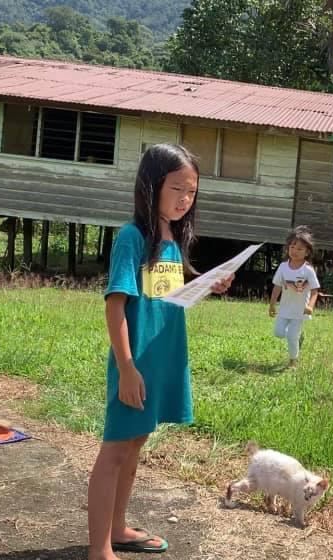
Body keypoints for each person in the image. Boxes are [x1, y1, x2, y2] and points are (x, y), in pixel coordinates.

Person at [88, 144, 233, 560]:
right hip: (134, 365)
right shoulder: (133, 238)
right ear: (151, 185)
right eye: (177, 189)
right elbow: (116, 305)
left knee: (134, 446)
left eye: (192, 192)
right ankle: (99, 549)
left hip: (162, 362)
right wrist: (127, 368)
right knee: (115, 450)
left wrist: (208, 282)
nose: (185, 199)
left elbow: (169, 295)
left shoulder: (172, 238)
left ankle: (116, 529)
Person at [269, 225, 321, 368]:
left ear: (307, 252)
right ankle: (297, 337)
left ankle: (293, 361)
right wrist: (272, 304)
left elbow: (315, 290)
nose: (295, 251)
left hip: (299, 311)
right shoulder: (283, 267)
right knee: (279, 333)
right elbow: (277, 286)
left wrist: (310, 306)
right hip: (284, 309)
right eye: (292, 247)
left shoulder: (308, 270)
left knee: (291, 336)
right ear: (288, 247)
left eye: (299, 249)